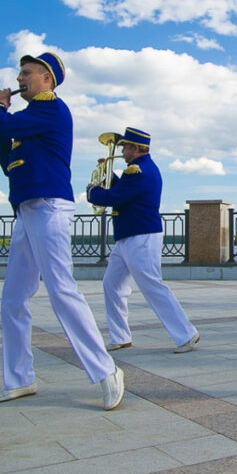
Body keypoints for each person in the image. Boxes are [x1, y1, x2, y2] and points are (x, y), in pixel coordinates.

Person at [0, 52, 124, 410]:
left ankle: (106, 370)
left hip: (49, 206)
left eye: (27, 73)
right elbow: (6, 160)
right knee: (13, 298)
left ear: (47, 79)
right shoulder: (30, 117)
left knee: (62, 289)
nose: (20, 79)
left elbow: (3, 125)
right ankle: (19, 379)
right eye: (19, 74)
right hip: (27, 208)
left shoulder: (50, 108)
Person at [87, 127, 200, 354]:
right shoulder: (138, 171)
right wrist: (108, 172)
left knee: (152, 285)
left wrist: (92, 191)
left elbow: (115, 196)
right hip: (129, 236)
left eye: (125, 147)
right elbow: (123, 189)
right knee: (112, 285)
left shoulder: (138, 171)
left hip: (141, 236)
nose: (122, 151)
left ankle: (186, 334)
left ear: (136, 148)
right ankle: (120, 336)